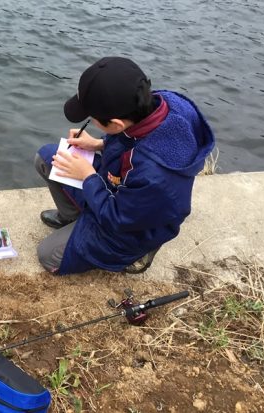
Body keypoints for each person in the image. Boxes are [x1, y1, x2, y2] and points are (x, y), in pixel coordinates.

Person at [34, 56, 215, 275]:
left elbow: (118, 218)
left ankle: (137, 255)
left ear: (117, 124)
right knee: (47, 159)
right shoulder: (157, 104)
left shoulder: (155, 175)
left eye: (93, 119)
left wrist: (88, 177)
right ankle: (75, 218)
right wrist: (99, 144)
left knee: (48, 256)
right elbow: (132, 138)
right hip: (120, 190)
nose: (90, 120)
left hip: (130, 228)